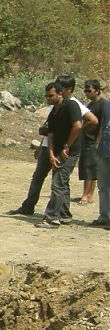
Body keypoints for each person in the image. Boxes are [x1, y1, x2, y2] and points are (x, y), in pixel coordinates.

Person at [8, 75, 97, 216]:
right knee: (40, 177)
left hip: (64, 149)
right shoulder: (55, 106)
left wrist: (72, 138)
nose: (49, 97)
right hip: (49, 146)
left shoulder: (73, 104)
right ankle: (29, 206)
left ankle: (59, 214)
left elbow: (92, 121)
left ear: (66, 90)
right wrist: (41, 147)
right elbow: (50, 130)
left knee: (60, 181)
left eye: (59, 88)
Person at [35, 81, 83, 229]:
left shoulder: (71, 106)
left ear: (60, 94)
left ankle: (51, 218)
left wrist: (67, 147)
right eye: (46, 96)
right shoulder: (54, 111)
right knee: (62, 182)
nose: (48, 98)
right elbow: (50, 134)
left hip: (70, 151)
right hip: (57, 151)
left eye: (51, 96)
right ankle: (64, 215)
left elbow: (78, 126)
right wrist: (51, 154)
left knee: (58, 183)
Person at [77, 80, 104, 205]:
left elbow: (102, 125)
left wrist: (98, 141)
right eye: (85, 90)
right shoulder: (90, 105)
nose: (86, 93)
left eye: (89, 90)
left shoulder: (102, 105)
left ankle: (87, 195)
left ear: (97, 91)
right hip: (86, 140)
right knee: (87, 167)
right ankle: (88, 194)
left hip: (93, 141)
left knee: (90, 168)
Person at [93, 96, 110, 229]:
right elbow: (103, 124)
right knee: (103, 184)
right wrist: (97, 142)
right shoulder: (108, 102)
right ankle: (104, 216)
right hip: (105, 148)